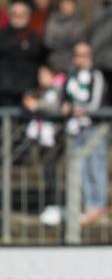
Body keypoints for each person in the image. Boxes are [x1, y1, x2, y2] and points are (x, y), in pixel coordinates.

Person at [63, 42, 107, 223]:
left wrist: (75, 108)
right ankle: (87, 205)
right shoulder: (70, 77)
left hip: (93, 128)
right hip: (75, 128)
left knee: (95, 167)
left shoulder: (96, 76)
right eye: (77, 54)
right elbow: (64, 100)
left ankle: (98, 206)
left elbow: (94, 104)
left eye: (84, 54)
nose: (80, 58)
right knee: (79, 169)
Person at [23, 65, 66, 226]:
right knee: (48, 173)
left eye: (44, 74)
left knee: (54, 172)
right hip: (43, 140)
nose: (41, 78)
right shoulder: (38, 91)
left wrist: (36, 105)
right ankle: (52, 204)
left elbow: (52, 107)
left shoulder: (59, 89)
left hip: (57, 138)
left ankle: (57, 204)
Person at [0, 1, 42, 106]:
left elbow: (35, 51)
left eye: (22, 14)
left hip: (27, 88)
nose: (18, 17)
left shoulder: (34, 36)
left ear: (28, 16)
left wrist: (13, 47)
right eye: (15, 14)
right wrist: (20, 46)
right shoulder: (2, 34)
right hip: (4, 88)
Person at [44, 0, 86, 74]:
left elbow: (78, 41)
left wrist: (60, 39)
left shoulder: (79, 21)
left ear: (74, 5)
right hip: (55, 64)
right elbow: (48, 41)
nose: (66, 6)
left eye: (69, 3)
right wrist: (67, 40)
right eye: (64, 3)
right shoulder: (52, 20)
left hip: (74, 64)